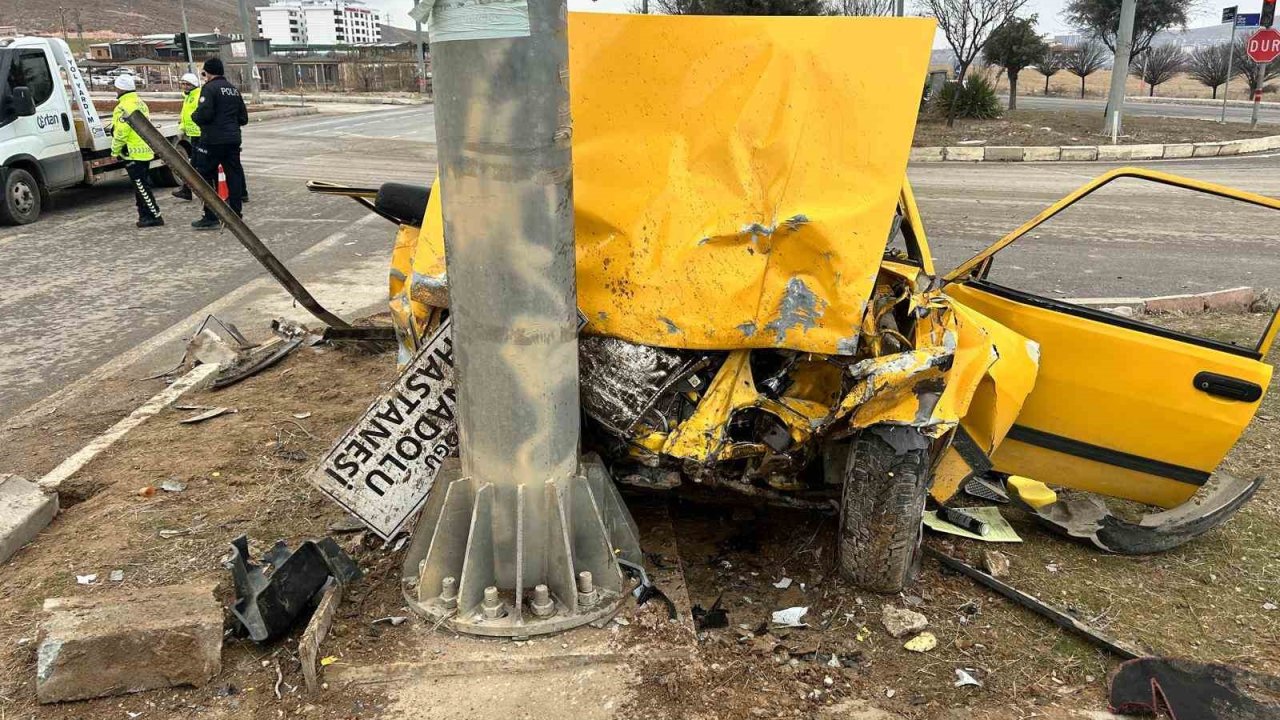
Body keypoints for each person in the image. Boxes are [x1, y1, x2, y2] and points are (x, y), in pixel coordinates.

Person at [190, 57, 248, 230]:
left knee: (205, 177)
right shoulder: (233, 90)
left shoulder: (209, 89)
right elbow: (243, 118)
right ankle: (236, 213)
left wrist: (195, 116)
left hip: (212, 141)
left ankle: (211, 215)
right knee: (234, 176)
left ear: (207, 72)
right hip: (232, 140)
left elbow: (204, 115)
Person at [110, 75, 164, 228]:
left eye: (116, 87)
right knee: (141, 185)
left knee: (141, 186)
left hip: (133, 152)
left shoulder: (122, 107)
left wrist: (115, 151)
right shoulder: (140, 103)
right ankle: (145, 215)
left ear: (120, 88)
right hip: (144, 150)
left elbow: (121, 132)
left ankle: (155, 215)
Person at [172, 72, 201, 201]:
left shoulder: (198, 95)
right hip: (192, 135)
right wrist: (182, 128)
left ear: (193, 84)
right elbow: (186, 115)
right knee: (193, 165)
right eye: (182, 84)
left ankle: (187, 190)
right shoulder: (188, 97)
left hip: (200, 135)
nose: (184, 86)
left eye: (187, 84)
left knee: (196, 165)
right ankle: (187, 190)